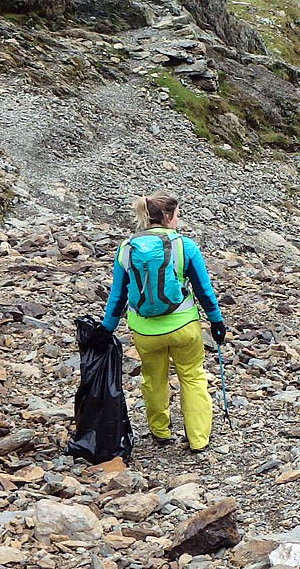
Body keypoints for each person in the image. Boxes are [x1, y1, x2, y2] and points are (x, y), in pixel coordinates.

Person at [102, 191, 226, 453]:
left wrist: (107, 329)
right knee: (192, 377)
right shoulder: (185, 246)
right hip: (184, 327)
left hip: (145, 330)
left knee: (153, 379)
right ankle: (198, 440)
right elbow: (204, 291)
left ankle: (160, 432)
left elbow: (117, 296)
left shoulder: (127, 248)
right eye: (177, 214)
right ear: (168, 216)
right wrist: (216, 321)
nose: (178, 219)